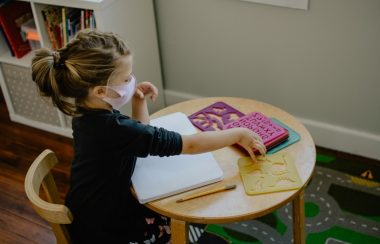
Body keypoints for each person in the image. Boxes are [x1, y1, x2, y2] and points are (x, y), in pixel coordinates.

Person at [31, 30, 266, 243]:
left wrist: (137, 100)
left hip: (89, 211)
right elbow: (191, 145)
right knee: (193, 222)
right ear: (100, 91)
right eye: (126, 79)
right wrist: (238, 134)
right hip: (108, 230)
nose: (131, 81)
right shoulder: (114, 129)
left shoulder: (86, 113)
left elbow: (139, 138)